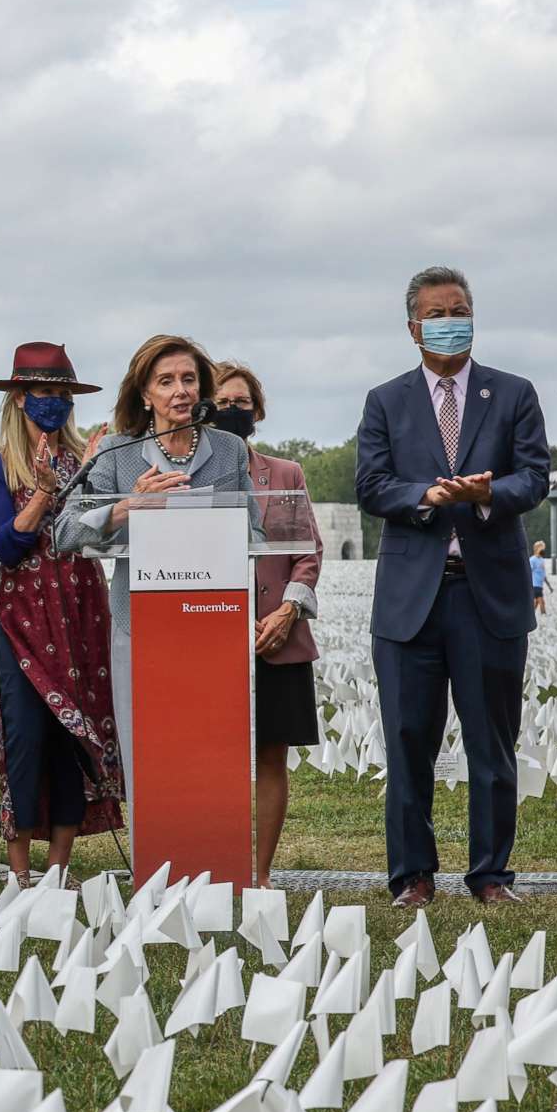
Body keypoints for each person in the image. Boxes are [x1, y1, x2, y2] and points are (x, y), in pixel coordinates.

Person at [354, 266, 550, 908]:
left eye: (459, 309)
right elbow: (372, 485)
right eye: (436, 313)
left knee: (491, 742)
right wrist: (426, 496)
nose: (449, 320)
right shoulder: (385, 400)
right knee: (408, 738)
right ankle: (412, 874)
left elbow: (535, 477)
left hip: (487, 592)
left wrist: (490, 492)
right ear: (413, 327)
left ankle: (490, 874)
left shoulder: (513, 392)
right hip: (412, 598)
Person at [52, 334, 252, 796]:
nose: (180, 390)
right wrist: (127, 506)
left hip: (212, 619)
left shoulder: (229, 451)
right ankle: (154, 864)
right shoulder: (115, 452)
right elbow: (65, 532)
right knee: (150, 751)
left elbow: (255, 532)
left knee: (210, 750)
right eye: (166, 381)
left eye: (189, 379)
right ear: (146, 395)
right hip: (138, 623)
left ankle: (214, 855)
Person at [0, 342, 123, 885]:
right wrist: (42, 492)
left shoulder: (92, 458)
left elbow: (108, 523)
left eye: (63, 395)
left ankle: (58, 869)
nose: (54, 404)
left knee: (72, 737)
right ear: (19, 399)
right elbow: (6, 547)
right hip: (24, 616)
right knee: (24, 735)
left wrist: (90, 478)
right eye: (44, 394)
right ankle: (18, 873)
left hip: (81, 608)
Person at [211, 360, 323, 887]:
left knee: (271, 754)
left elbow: (309, 551)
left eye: (243, 402)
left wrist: (288, 609)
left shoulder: (286, 474)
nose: (235, 410)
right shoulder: (187, 474)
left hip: (276, 636)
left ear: (257, 409)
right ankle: (215, 864)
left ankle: (261, 873)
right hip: (207, 633)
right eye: (224, 402)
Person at [530, 540, 550, 613]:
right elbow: (529, 572)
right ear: (536, 549)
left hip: (540, 585)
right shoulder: (532, 560)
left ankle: (529, 614)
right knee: (542, 602)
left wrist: (549, 586)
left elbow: (543, 574)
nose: (543, 550)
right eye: (541, 548)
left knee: (536, 602)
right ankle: (544, 615)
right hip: (534, 585)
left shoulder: (542, 560)